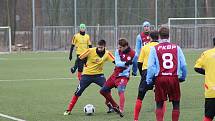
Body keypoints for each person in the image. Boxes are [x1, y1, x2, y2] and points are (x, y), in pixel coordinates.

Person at [146, 27, 187, 121]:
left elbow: (151, 67)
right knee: (176, 104)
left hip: (160, 78)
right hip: (173, 78)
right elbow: (184, 65)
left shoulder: (154, 48)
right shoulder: (177, 47)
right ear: (169, 36)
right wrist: (183, 77)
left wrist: (149, 80)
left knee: (159, 104)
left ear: (159, 36)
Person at [64, 40, 114, 115]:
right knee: (78, 92)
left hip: (99, 75)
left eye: (101, 47)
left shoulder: (107, 54)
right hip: (86, 75)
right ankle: (69, 110)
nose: (100, 49)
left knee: (107, 90)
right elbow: (79, 58)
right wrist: (74, 67)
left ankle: (110, 106)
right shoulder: (90, 51)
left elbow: (116, 62)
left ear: (104, 47)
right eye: (99, 47)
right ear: (97, 46)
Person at [100, 38, 136, 117]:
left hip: (124, 76)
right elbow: (117, 63)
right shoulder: (117, 51)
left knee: (120, 90)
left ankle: (121, 110)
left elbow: (136, 62)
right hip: (115, 75)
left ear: (125, 46)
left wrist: (135, 71)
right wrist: (126, 63)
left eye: (120, 47)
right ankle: (115, 105)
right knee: (102, 91)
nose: (119, 48)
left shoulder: (133, 53)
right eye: (118, 47)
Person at [133, 30, 160, 121]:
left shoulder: (145, 47)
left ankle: (136, 119)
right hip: (158, 74)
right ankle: (160, 119)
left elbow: (139, 63)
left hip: (146, 72)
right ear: (158, 37)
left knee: (140, 97)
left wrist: (142, 74)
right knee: (160, 99)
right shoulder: (161, 47)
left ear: (150, 38)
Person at [194, 37, 215, 121]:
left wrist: (208, 72)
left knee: (208, 117)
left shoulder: (206, 54)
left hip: (211, 91)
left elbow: (197, 67)